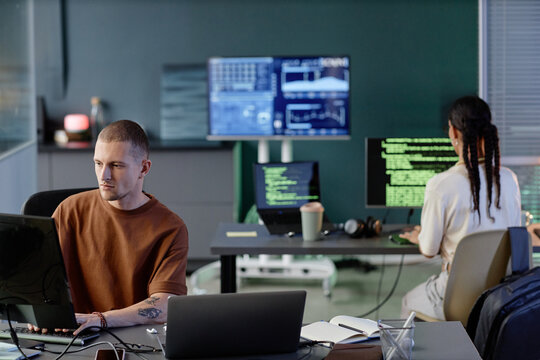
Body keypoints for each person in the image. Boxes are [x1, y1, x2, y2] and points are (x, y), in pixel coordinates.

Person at [30, 120, 188, 335]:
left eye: (116, 165)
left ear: (144, 168)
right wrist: (37, 311)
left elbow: (164, 305)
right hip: (70, 335)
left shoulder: (170, 227)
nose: (104, 175)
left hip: (132, 338)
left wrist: (102, 320)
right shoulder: (69, 210)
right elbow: (39, 279)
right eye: (98, 163)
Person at [399, 96, 521, 320]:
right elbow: (514, 235)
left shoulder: (441, 184)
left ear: (453, 133)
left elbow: (428, 250)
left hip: (455, 296)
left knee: (408, 300)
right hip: (501, 294)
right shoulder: (509, 178)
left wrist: (419, 237)